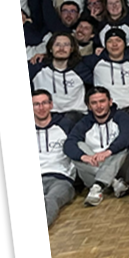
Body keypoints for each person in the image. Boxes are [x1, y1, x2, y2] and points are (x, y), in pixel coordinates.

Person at [63, 86, 129, 206]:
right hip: (93, 170)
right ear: (89, 106)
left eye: (102, 101)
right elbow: (68, 145)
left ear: (110, 102)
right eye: (94, 103)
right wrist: (84, 157)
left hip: (121, 168)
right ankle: (112, 184)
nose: (99, 106)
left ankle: (99, 186)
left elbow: (127, 136)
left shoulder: (121, 117)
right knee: (78, 148)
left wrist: (108, 152)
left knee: (122, 148)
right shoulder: (85, 122)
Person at [33, 89, 77, 227]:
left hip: (61, 178)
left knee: (50, 200)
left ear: (51, 105)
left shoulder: (65, 126)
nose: (41, 108)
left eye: (44, 103)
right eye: (36, 104)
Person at [29, 32, 92, 121]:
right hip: (46, 115)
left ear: (72, 49)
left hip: (76, 115)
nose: (61, 48)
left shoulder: (80, 68)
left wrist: (102, 51)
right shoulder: (37, 67)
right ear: (51, 48)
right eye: (57, 44)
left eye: (66, 45)